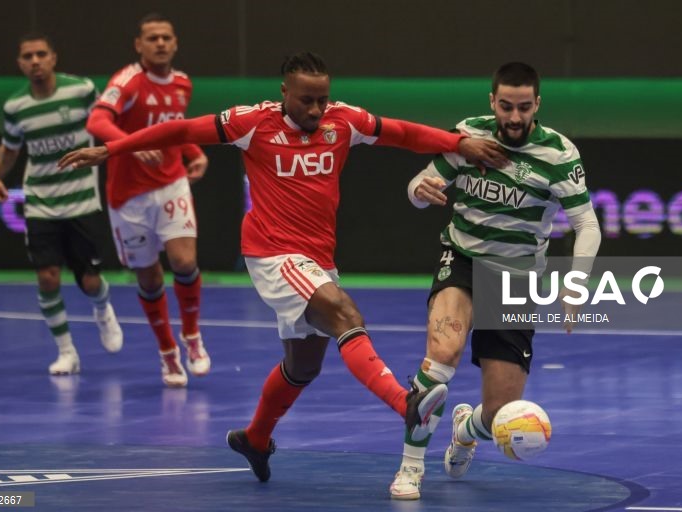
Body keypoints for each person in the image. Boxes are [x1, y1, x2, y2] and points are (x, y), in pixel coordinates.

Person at [59, 51, 510, 483]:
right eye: (305, 99)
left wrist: (458, 143)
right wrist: (112, 150)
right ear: (284, 93)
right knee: (346, 316)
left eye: (321, 99)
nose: (316, 108)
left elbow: (404, 133)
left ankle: (255, 439)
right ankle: (406, 404)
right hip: (273, 254)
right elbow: (179, 131)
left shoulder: (343, 120)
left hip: (317, 259)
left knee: (303, 365)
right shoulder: (250, 123)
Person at [388, 62, 602, 500]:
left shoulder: (558, 154)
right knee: (441, 355)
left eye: (524, 107)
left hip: (516, 278)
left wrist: (577, 283)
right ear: (493, 102)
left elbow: (588, 225)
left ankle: (466, 430)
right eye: (506, 106)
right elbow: (419, 185)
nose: (515, 117)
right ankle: (410, 467)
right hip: (463, 258)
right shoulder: (470, 136)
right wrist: (418, 193)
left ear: (537, 104)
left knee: (502, 411)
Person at [0, 33, 123, 375]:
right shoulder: (15, 107)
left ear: (53, 58)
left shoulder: (81, 90)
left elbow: (106, 125)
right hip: (40, 202)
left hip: (81, 201)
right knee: (47, 278)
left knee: (90, 282)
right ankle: (66, 352)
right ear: (20, 63)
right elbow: (10, 147)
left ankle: (103, 309)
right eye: (27, 56)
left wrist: (121, 149)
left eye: (41, 54)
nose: (35, 61)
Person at [87, 13, 211, 388]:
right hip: (129, 197)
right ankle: (167, 351)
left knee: (184, 261)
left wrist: (193, 152)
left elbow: (172, 126)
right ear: (138, 45)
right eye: (152, 38)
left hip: (171, 184)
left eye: (166, 38)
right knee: (150, 276)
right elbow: (96, 121)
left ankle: (191, 335)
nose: (160, 43)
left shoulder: (182, 84)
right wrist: (131, 148)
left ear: (175, 44)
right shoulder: (128, 81)